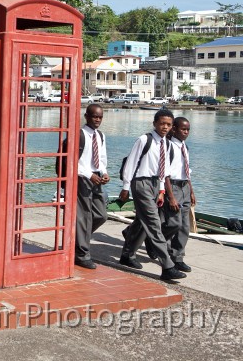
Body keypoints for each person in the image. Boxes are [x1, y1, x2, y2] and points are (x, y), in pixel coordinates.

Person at [118, 108, 187, 281]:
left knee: (142, 221)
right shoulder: (144, 140)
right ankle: (167, 266)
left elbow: (164, 171)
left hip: (157, 184)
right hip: (141, 183)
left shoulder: (169, 145)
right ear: (155, 123)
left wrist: (162, 190)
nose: (165, 127)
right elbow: (131, 163)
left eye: (168, 125)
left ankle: (127, 254)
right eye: (162, 123)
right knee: (154, 223)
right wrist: (126, 187)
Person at [74, 104, 110, 269]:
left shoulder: (100, 136)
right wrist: (90, 175)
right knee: (84, 217)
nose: (97, 120)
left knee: (101, 215)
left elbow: (102, 158)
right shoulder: (79, 135)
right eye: (95, 116)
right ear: (86, 116)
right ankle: (82, 254)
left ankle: (77, 239)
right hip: (83, 178)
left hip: (97, 178)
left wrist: (104, 172)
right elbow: (73, 161)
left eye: (100, 117)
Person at [160, 116, 196, 272]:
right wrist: (171, 196)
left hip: (185, 187)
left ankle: (178, 257)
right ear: (174, 129)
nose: (186, 132)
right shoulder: (168, 146)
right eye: (183, 129)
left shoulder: (184, 147)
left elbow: (186, 172)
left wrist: (192, 191)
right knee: (173, 223)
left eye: (188, 129)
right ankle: (159, 243)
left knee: (184, 226)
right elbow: (165, 173)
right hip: (173, 187)